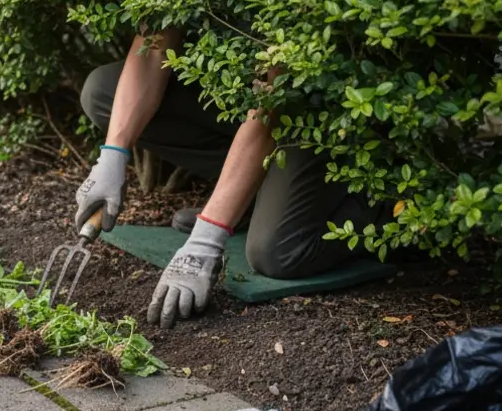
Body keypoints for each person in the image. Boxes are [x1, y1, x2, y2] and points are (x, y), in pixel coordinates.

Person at [74, 27, 390, 329]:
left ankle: (390, 211)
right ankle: (254, 197)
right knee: (104, 92)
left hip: (317, 117)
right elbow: (154, 42)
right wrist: (113, 155)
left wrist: (207, 237)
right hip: (238, 94)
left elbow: (272, 107)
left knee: (278, 253)